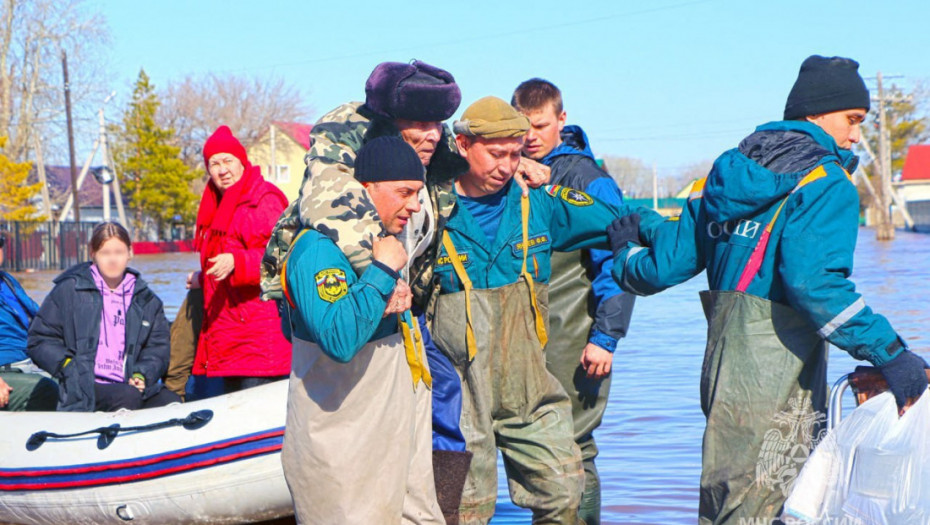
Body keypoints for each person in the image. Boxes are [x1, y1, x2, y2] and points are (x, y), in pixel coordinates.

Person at [609, 55, 930, 523]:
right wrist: (891, 353)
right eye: (852, 120)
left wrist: (626, 249)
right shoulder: (826, 182)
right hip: (780, 376)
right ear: (816, 113)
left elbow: (663, 268)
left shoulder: (719, 178)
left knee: (728, 498)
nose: (856, 135)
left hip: (723, 376)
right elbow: (816, 286)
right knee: (783, 501)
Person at [260, 60, 547, 522]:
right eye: (420, 125)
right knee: (358, 428)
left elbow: (475, 155)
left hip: (402, 327)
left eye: (437, 124)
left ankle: (438, 510)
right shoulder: (341, 164)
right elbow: (338, 219)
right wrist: (381, 275)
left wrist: (519, 164)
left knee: (439, 396)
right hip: (355, 313)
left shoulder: (427, 156)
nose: (432, 134)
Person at [428, 96, 658, 525]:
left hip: (529, 388)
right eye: (496, 154)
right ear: (462, 144)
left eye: (516, 154)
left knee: (563, 488)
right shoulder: (430, 208)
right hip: (457, 396)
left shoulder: (539, 204)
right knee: (463, 509)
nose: (507, 165)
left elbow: (617, 219)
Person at [280, 136, 443, 524]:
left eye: (418, 193)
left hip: (389, 441)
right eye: (404, 192)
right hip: (341, 453)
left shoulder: (379, 244)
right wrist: (383, 272)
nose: (415, 206)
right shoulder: (317, 250)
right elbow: (340, 339)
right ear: (365, 188)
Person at [512, 78, 635, 525]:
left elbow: (618, 265)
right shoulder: (510, 174)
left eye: (540, 125)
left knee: (576, 444)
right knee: (536, 446)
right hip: (529, 338)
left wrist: (606, 336)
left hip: (578, 337)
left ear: (561, 121)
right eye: (521, 126)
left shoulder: (588, 179)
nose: (530, 136)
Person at [28, 222, 178, 411]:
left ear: (130, 253)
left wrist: (142, 374)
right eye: (105, 253)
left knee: (171, 401)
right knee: (127, 397)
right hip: (85, 387)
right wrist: (68, 366)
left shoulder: (147, 300)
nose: (113, 260)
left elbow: (157, 348)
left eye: (119, 252)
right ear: (93, 255)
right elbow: (39, 339)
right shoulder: (69, 290)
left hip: (130, 383)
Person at [188, 125, 291, 392]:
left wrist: (238, 262)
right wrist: (204, 277)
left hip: (259, 339)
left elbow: (284, 256)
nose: (222, 170)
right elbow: (221, 257)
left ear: (242, 162)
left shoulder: (262, 200)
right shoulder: (216, 204)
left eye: (228, 161)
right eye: (214, 163)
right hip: (229, 335)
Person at [0, 233, 58, 411]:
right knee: (48, 390)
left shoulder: (7, 281)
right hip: (5, 371)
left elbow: (43, 319)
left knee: (76, 381)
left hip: (29, 362)